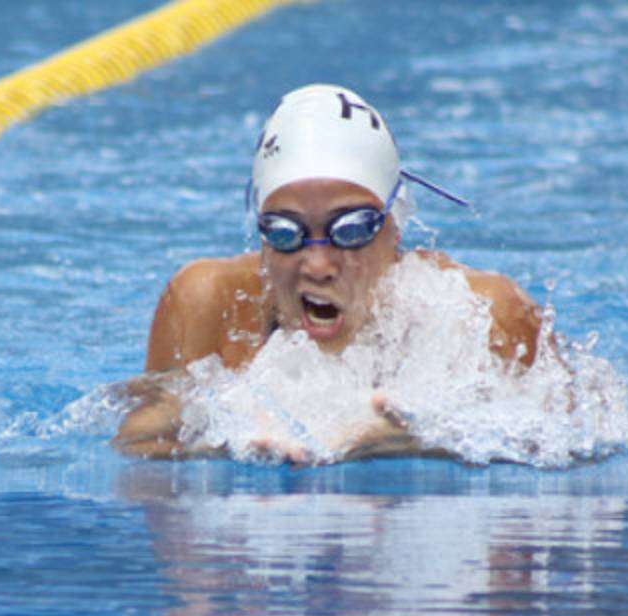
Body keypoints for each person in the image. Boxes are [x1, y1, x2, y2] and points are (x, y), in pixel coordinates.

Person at [113, 84, 544, 462]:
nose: (317, 265)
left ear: (394, 228)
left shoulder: (482, 315)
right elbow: (137, 447)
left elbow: (578, 441)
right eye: (285, 232)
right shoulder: (207, 303)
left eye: (351, 229)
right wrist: (216, 452)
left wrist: (432, 444)